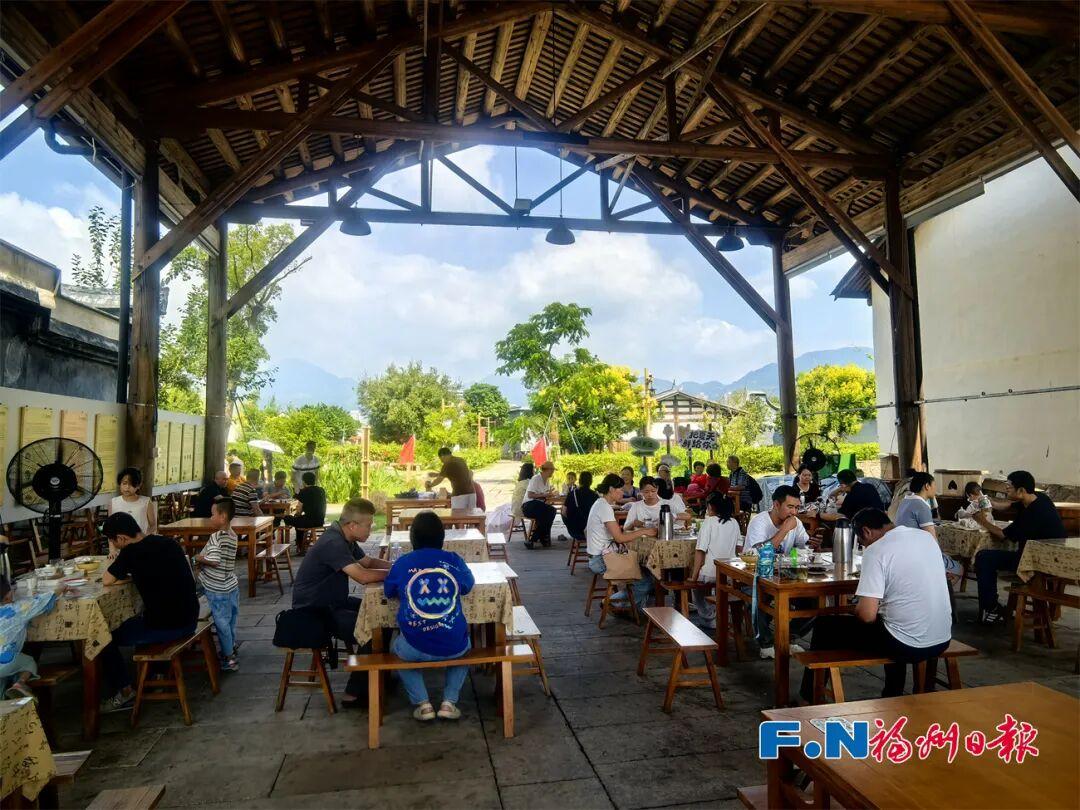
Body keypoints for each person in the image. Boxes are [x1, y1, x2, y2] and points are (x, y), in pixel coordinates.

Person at [799, 508, 952, 700]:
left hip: (907, 645)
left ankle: (810, 695)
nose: (865, 547)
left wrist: (857, 609)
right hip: (942, 638)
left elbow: (867, 616)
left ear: (866, 531)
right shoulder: (926, 538)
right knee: (892, 622)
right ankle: (892, 693)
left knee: (825, 626)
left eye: (862, 543)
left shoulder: (876, 550)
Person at [290, 498, 392, 707]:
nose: (371, 529)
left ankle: (380, 676)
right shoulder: (333, 543)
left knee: (385, 615)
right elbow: (362, 576)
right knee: (373, 628)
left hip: (333, 601)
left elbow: (368, 562)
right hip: (314, 610)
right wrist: (397, 574)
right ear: (352, 525)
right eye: (369, 525)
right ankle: (353, 694)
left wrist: (400, 566)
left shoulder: (345, 537)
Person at [99, 513, 200, 711]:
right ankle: (157, 673)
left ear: (121, 538)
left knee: (102, 637)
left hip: (169, 626)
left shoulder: (130, 553)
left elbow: (106, 580)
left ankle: (125, 691)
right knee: (142, 617)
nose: (114, 545)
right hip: (190, 617)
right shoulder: (168, 542)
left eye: (113, 541)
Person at [383, 512, 475, 721]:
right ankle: (449, 702)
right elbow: (468, 585)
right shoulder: (454, 560)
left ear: (412, 538)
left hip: (413, 647)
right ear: (442, 537)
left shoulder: (403, 562)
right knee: (466, 647)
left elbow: (388, 591)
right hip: (454, 645)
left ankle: (423, 704)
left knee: (396, 651)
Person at [971, 470, 1066, 625]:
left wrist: (981, 520)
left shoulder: (1033, 513)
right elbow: (1007, 505)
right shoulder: (1039, 498)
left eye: (1009, 487)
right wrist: (988, 502)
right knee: (989, 555)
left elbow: (1002, 535)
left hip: (1036, 563)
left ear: (1021, 490)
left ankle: (991, 608)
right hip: (1039, 556)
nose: (1006, 489)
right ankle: (991, 607)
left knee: (984, 557)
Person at [743, 485, 814, 658]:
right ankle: (766, 643)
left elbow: (804, 546)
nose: (794, 512)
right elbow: (759, 553)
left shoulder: (795, 522)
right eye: (790, 507)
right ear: (776, 504)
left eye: (797, 507)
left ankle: (788, 638)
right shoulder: (760, 522)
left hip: (785, 577)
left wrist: (813, 544)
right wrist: (784, 530)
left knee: (816, 601)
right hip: (755, 576)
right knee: (757, 596)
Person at [586, 473, 658, 610]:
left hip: (597, 555)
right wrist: (644, 531)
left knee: (644, 571)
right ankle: (612, 602)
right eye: (620, 490)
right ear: (611, 489)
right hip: (601, 560)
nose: (622, 493)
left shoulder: (599, 503)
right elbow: (619, 538)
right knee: (646, 582)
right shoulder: (605, 507)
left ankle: (627, 607)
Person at [196, 499, 240, 672]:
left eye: (213, 514)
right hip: (231, 585)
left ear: (223, 516)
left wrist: (198, 558)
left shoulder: (216, 537)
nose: (210, 517)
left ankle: (229, 659)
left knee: (221, 624)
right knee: (230, 621)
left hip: (217, 588)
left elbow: (214, 560)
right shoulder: (232, 534)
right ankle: (231, 647)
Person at [688, 494, 741, 629]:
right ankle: (721, 614)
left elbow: (700, 551)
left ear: (710, 507)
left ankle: (708, 618)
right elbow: (739, 548)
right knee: (719, 588)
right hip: (729, 573)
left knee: (697, 589)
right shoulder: (734, 523)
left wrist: (694, 577)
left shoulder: (709, 522)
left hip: (710, 573)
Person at [0, 576, 57, 700]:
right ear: (7, 596)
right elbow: (43, 601)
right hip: (5, 661)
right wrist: (61, 588)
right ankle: (20, 683)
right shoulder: (16, 609)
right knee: (28, 662)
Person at [278, 472, 327, 549]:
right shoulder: (321, 490)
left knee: (288, 518)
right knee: (299, 520)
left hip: (309, 521)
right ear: (314, 480)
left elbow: (299, 510)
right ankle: (300, 544)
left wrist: (296, 515)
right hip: (320, 520)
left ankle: (300, 545)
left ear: (304, 481)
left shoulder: (304, 491)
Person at [623, 477, 692, 530]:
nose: (650, 494)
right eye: (646, 492)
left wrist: (671, 516)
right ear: (641, 491)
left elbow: (687, 516)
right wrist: (633, 524)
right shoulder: (636, 506)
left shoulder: (666, 504)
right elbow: (625, 528)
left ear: (657, 489)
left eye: (653, 491)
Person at [820, 469, 884, 522]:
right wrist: (840, 489)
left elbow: (841, 516)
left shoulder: (851, 495)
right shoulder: (869, 486)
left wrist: (820, 515)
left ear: (843, 485)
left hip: (868, 527)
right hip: (881, 521)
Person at [109, 467, 157, 536]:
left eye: (131, 484)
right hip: (121, 541)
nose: (127, 487)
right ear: (120, 484)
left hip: (141, 541)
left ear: (138, 486)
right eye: (124, 483)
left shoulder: (146, 502)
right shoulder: (113, 502)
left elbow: (153, 525)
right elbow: (110, 526)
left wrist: (143, 536)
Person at [523, 461, 557, 548]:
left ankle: (535, 540)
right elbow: (530, 495)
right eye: (552, 470)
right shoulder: (536, 478)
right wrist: (545, 495)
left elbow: (545, 495)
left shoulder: (547, 480)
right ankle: (541, 538)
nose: (553, 472)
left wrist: (549, 494)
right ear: (548, 470)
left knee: (549, 514)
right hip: (529, 505)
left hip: (539, 506)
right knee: (551, 511)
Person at [894, 471, 937, 538]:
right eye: (934, 485)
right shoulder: (921, 506)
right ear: (927, 486)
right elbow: (931, 538)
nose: (935, 489)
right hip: (911, 543)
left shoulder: (905, 501)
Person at [563, 471, 598, 541]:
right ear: (591, 482)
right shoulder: (595, 495)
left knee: (563, 512)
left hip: (574, 530)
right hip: (591, 531)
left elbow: (564, 512)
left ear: (579, 481)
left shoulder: (572, 494)